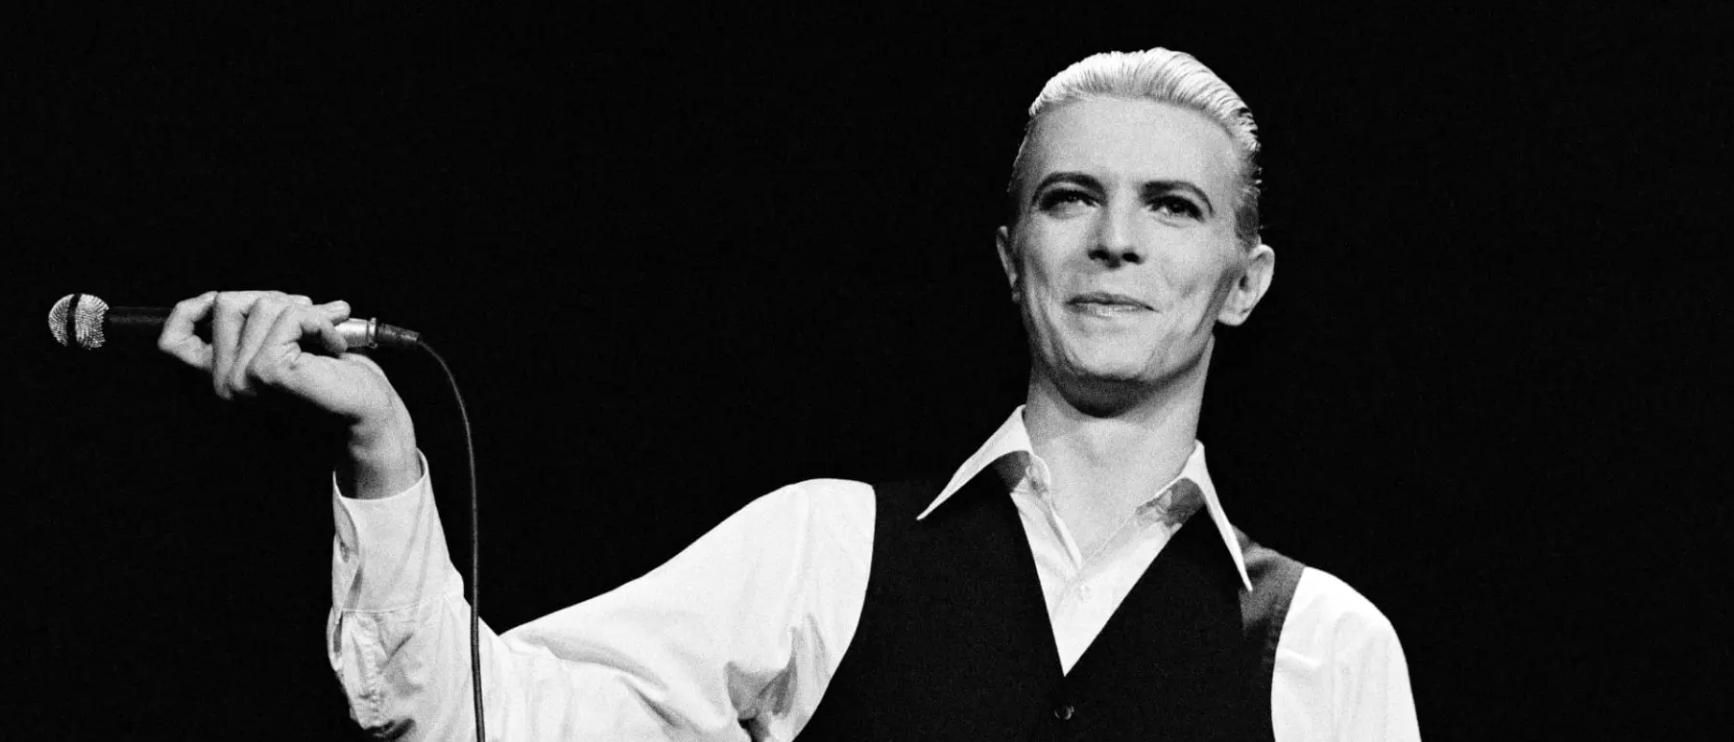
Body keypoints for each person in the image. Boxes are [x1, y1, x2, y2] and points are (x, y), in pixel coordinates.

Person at [160, 47, 1420, 740]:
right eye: (1070, 197)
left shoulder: (1327, 647)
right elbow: (486, 719)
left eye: (1173, 207)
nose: (1116, 241)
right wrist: (383, 448)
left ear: (1244, 282)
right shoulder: (832, 549)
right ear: (1011, 255)